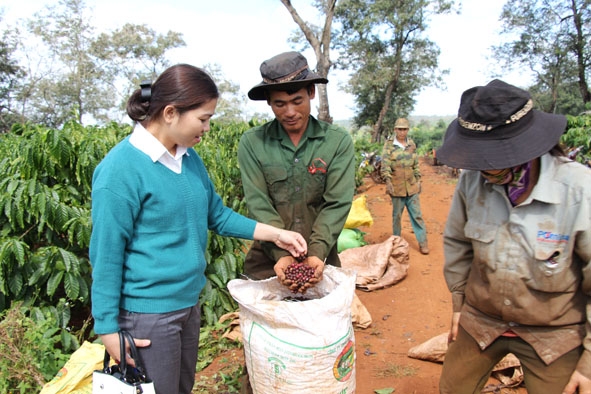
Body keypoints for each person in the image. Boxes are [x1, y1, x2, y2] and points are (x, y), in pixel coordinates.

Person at [89, 64, 308, 394]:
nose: (206, 128)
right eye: (203, 119)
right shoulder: (120, 171)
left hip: (187, 306)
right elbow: (106, 254)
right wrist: (107, 327)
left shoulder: (188, 158)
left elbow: (216, 215)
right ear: (171, 112)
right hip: (147, 314)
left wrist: (275, 233)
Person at [436, 79, 591, 394]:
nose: (483, 166)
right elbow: (457, 243)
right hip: (482, 317)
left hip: (554, 330)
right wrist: (459, 304)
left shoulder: (578, 190)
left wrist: (588, 365)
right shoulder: (471, 182)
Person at [237, 51, 356, 290]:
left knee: (322, 323)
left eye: (297, 101)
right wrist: (282, 253)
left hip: (320, 259)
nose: (290, 112)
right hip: (268, 260)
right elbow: (258, 203)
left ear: (311, 93)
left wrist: (317, 252)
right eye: (280, 104)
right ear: (269, 102)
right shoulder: (253, 143)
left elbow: (337, 203)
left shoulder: (336, 141)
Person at [380, 117, 429, 254]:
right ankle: (397, 244)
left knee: (417, 215)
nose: (402, 132)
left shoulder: (411, 144)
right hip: (397, 188)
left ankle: (423, 242)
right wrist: (388, 181)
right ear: (395, 130)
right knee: (397, 217)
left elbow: (416, 165)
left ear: (408, 130)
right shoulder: (389, 145)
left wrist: (419, 180)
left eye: (405, 129)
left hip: (412, 187)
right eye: (400, 129)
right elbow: (385, 165)